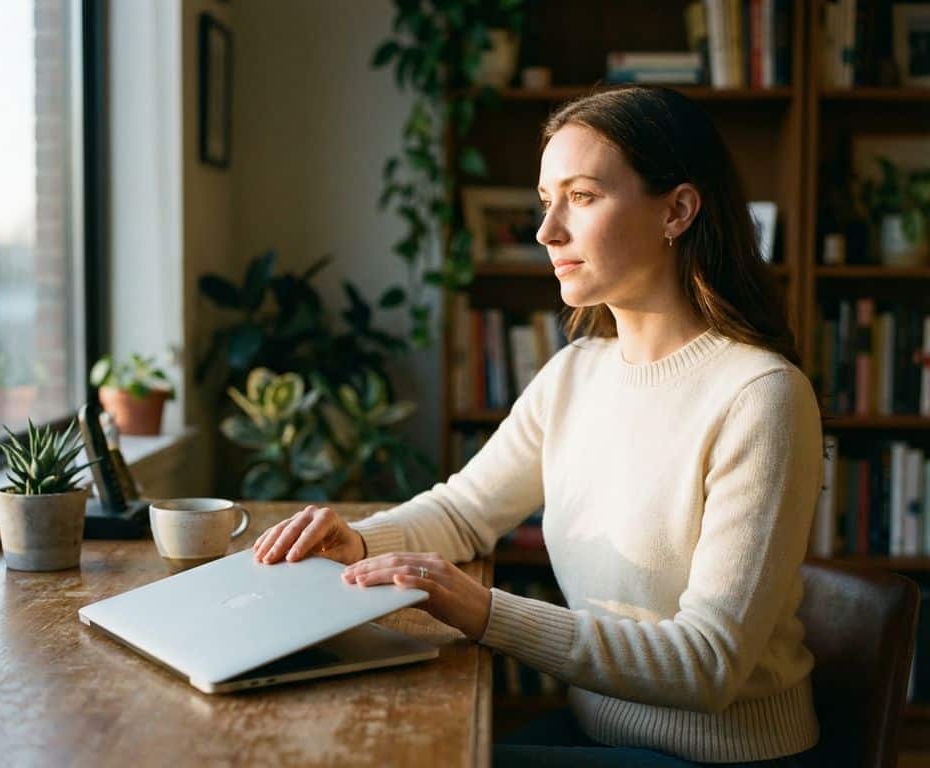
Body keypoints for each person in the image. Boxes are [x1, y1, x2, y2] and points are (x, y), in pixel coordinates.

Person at [252, 85, 823, 767]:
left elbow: (708, 663)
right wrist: (359, 541)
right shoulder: (577, 371)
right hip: (599, 733)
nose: (547, 231)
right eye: (546, 201)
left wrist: (483, 611)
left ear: (677, 210)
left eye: (581, 197)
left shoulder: (760, 396)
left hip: (720, 755)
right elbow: (466, 512)